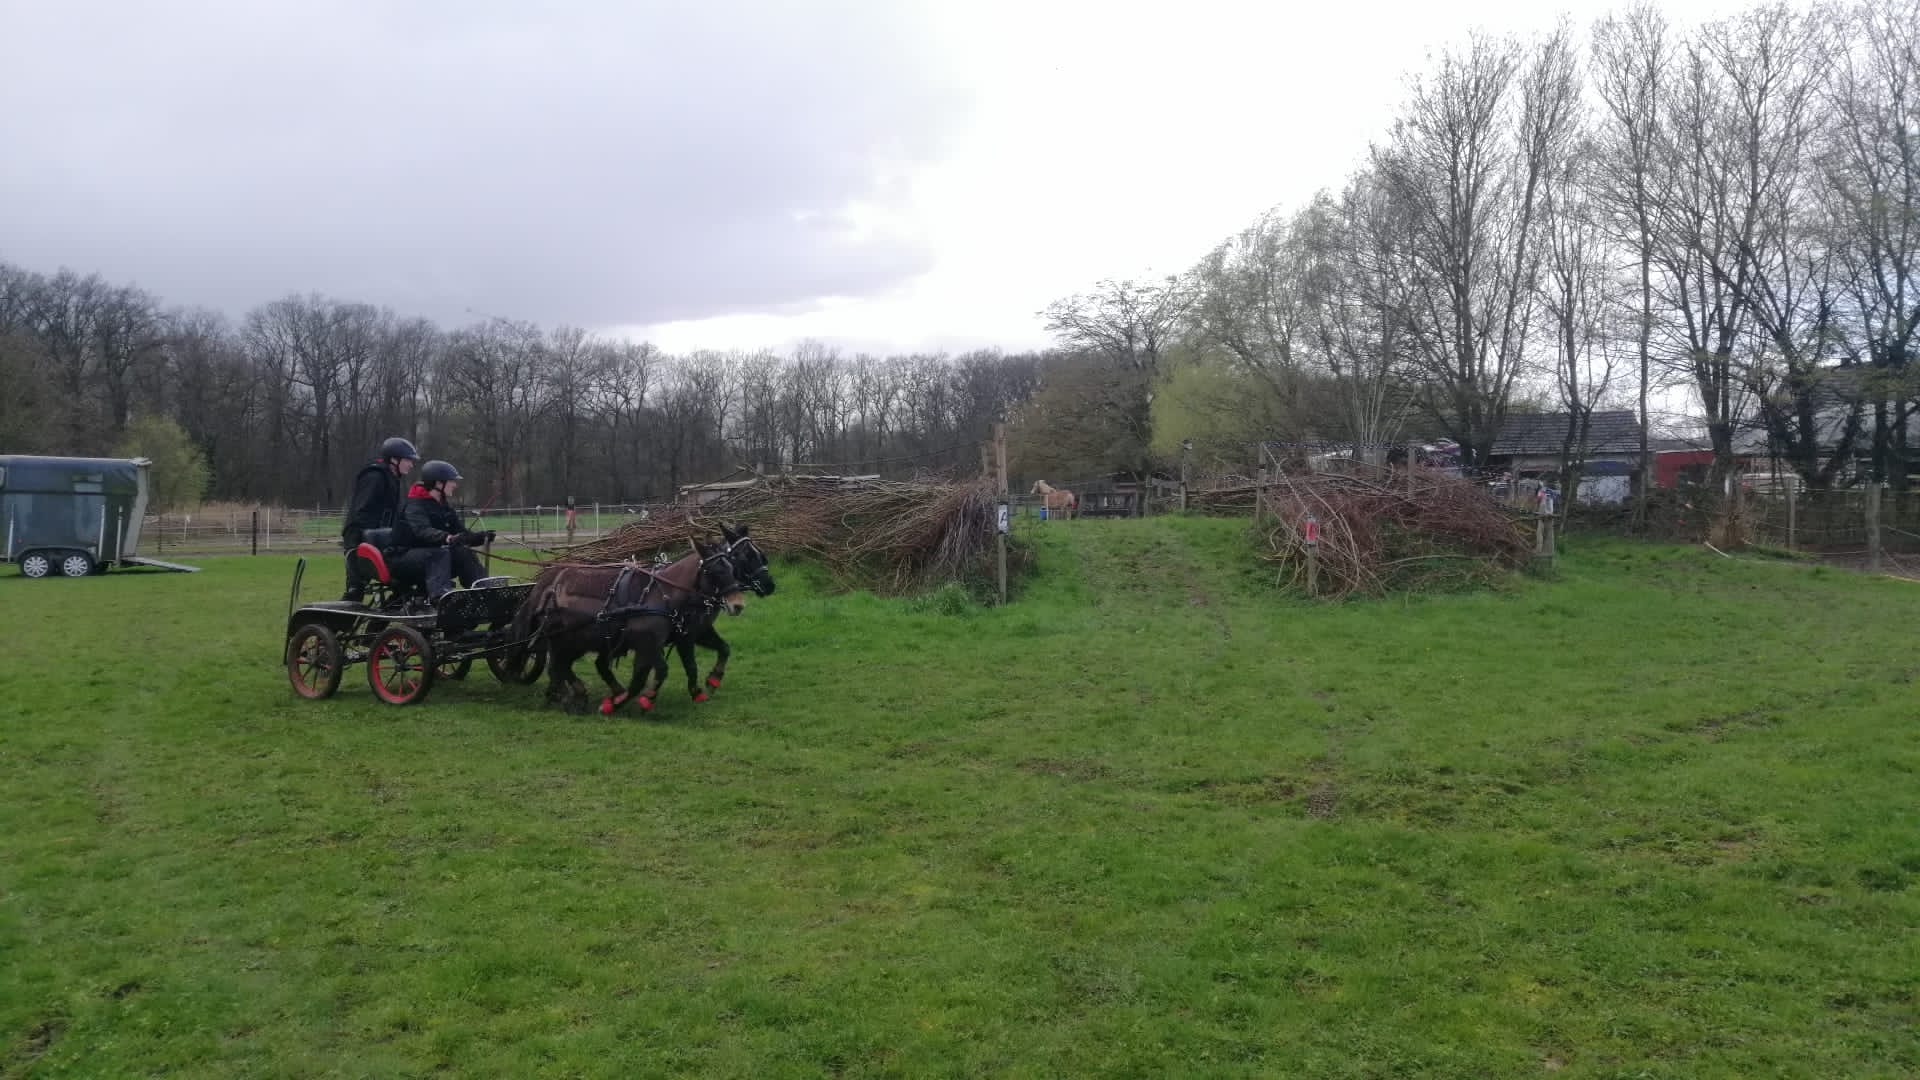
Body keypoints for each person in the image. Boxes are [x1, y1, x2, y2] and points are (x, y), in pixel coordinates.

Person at [391, 459, 494, 602]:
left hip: (430, 555)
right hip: (402, 557)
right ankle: (442, 598)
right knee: (439, 554)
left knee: (463, 552)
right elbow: (423, 530)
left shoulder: (443, 505)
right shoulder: (414, 505)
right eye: (452, 481)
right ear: (439, 483)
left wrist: (479, 537)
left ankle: (485, 592)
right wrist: (447, 538)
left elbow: (459, 531)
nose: (455, 485)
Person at [341, 436, 420, 602]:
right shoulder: (375, 476)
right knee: (356, 591)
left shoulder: (392, 479)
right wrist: (362, 541)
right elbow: (361, 511)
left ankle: (381, 620)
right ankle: (332, 624)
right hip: (359, 537)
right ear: (393, 459)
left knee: (403, 584)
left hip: (381, 538)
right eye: (408, 460)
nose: (411, 465)